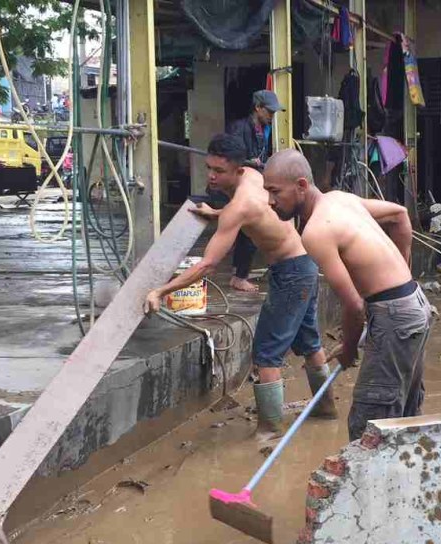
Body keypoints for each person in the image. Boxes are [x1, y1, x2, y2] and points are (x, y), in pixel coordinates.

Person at [144, 135, 335, 438]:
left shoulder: (240, 206)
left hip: (291, 274)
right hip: (305, 265)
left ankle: (269, 430)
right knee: (310, 343)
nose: (211, 176)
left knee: (266, 354)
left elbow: (207, 265)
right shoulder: (256, 180)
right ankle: (326, 410)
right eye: (209, 168)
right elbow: (253, 212)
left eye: (219, 171)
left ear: (238, 170)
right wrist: (218, 213)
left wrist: (160, 291)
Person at [263, 150, 434, 441]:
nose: (270, 201)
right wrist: (402, 275)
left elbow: (354, 306)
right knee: (402, 418)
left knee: (368, 429)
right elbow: (399, 215)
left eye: (275, 191)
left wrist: (349, 349)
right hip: (415, 302)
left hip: (395, 315)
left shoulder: (315, 232)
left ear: (301, 185)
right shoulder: (341, 199)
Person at [220, 89, 285, 294]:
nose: (272, 116)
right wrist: (249, 161)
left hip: (251, 184)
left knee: (245, 231)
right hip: (236, 186)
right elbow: (230, 157)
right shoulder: (239, 128)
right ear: (258, 108)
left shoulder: (262, 129)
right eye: (269, 112)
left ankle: (238, 273)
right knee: (249, 230)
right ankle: (239, 277)